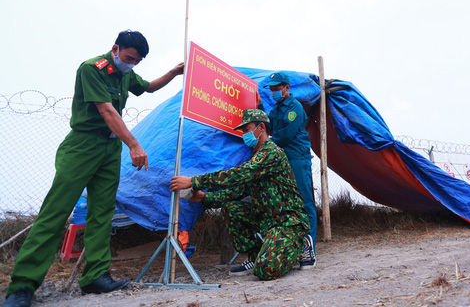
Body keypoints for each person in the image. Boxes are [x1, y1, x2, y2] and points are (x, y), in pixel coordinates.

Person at [4, 30, 184, 307]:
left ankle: (95, 277)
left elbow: (147, 87)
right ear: (115, 49)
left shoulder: (126, 74)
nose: (132, 65)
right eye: (128, 58)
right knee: (56, 211)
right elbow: (107, 110)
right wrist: (134, 145)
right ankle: (23, 285)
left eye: (136, 62)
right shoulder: (92, 69)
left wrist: (173, 72)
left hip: (110, 149)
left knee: (102, 213)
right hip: (83, 145)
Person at [170, 109, 309, 281]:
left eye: (247, 129)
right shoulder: (254, 158)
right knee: (231, 208)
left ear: (261, 128)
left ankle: (301, 244)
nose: (244, 135)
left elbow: (238, 174)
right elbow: (236, 191)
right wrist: (205, 198)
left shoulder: (271, 153)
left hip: (287, 222)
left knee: (266, 270)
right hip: (267, 223)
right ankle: (256, 255)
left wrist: (194, 181)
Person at [259, 72, 317, 269]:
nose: (274, 91)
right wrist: (259, 107)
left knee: (304, 202)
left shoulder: (295, 107)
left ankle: (310, 249)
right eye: (272, 89)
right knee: (287, 203)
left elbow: (284, 136)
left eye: (277, 88)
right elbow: (267, 126)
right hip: (283, 160)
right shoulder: (276, 109)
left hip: (297, 158)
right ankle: (294, 247)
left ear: (286, 88)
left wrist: (264, 143)